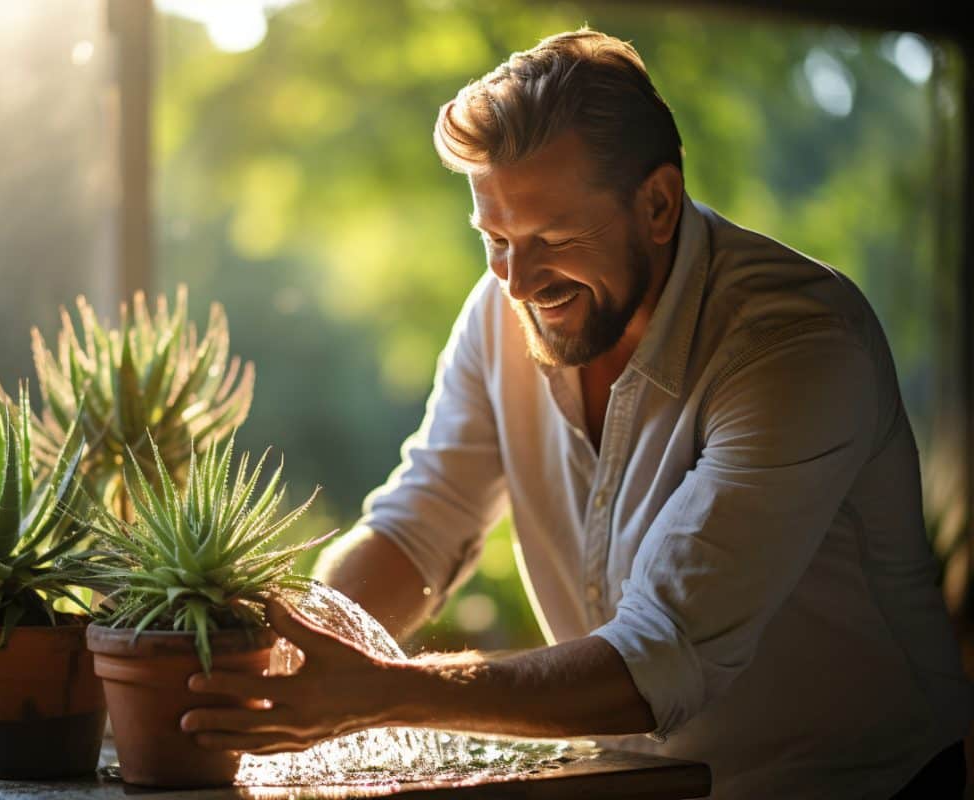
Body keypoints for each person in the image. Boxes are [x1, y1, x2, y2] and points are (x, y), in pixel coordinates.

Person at [181, 28, 972, 798]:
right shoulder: (502, 308)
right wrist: (302, 650)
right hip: (643, 785)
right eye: (494, 236)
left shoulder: (796, 346)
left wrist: (382, 691)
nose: (518, 280)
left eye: (553, 235)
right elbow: (422, 522)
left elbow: (660, 655)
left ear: (658, 205)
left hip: (862, 783)